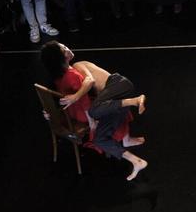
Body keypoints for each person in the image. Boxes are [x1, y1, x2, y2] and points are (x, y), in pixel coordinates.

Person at [41, 41, 149, 181]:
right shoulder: (64, 76)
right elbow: (56, 95)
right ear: (60, 58)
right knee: (99, 139)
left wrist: (75, 98)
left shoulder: (77, 66)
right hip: (111, 96)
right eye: (64, 49)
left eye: (65, 46)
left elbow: (89, 81)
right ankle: (137, 161)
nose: (68, 49)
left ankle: (134, 101)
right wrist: (49, 111)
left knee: (95, 111)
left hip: (117, 84)